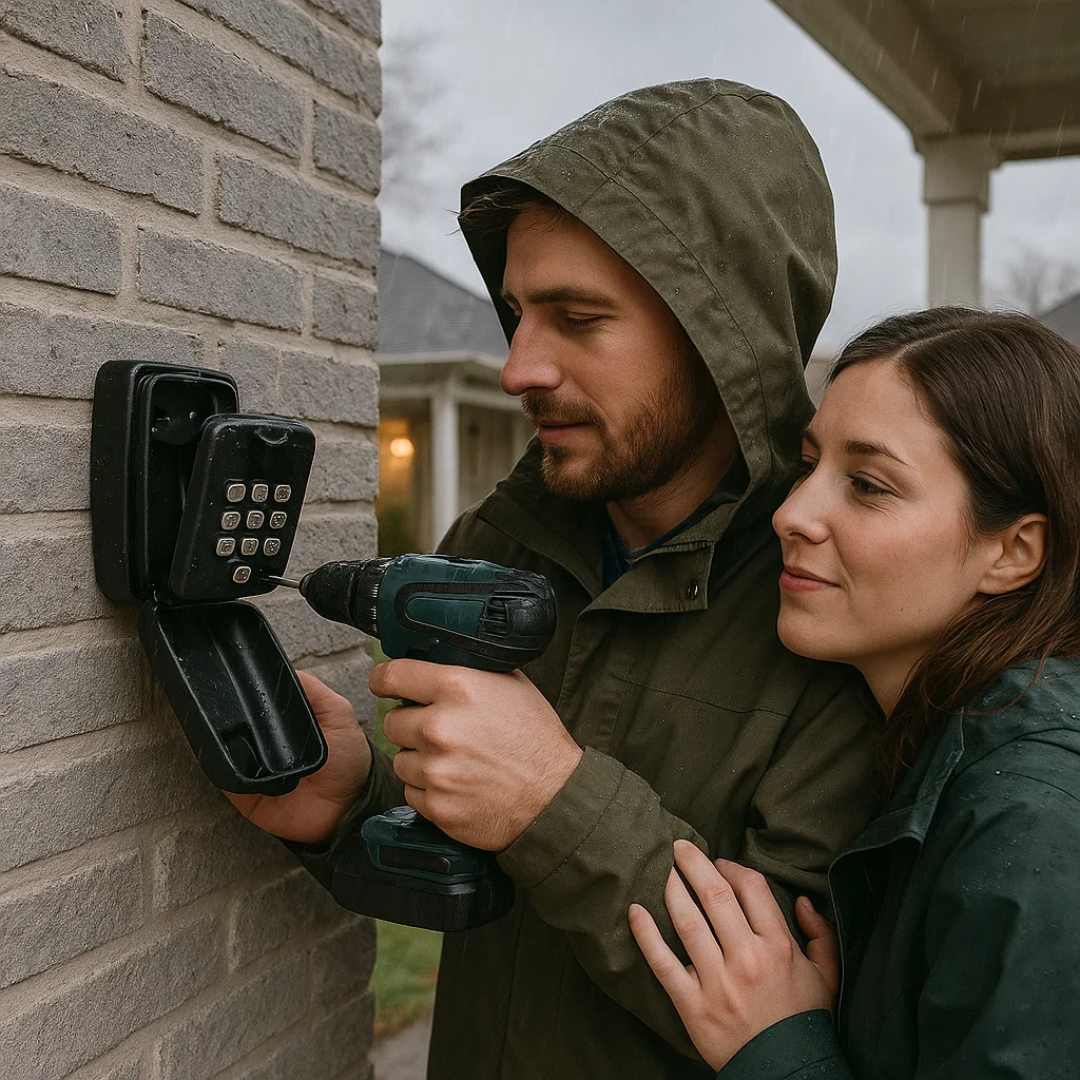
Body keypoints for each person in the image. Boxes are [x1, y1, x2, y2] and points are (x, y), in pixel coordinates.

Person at [225, 80, 880, 1079]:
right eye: (520, 311)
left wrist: (549, 795)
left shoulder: (838, 601)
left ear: (724, 341)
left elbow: (798, 1022)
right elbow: (480, 844)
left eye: (578, 319)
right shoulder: (499, 542)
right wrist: (357, 796)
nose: (519, 367)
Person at [630, 307, 1080, 1078]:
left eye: (868, 485)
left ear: (1013, 552)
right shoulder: (948, 741)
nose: (790, 514)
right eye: (809, 465)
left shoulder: (1032, 817)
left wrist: (778, 1048)